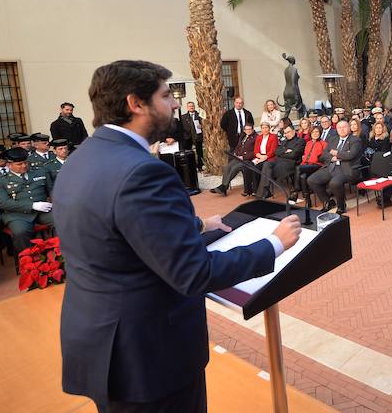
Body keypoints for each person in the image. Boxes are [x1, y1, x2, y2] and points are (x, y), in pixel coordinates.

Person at [51, 60, 301, 411]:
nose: (174, 104)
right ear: (136, 104)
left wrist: (197, 226)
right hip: (149, 356)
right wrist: (273, 243)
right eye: (166, 95)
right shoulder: (143, 171)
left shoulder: (83, 157)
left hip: (101, 341)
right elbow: (193, 273)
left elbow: (114, 230)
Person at [0, 146, 52, 253]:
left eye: (25, 162)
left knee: (63, 221)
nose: (24, 166)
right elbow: (3, 203)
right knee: (20, 232)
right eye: (19, 164)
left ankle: (62, 254)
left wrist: (54, 201)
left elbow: (51, 189)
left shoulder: (40, 172)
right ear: (9, 165)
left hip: (43, 211)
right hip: (17, 215)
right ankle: (28, 259)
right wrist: (32, 205)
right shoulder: (0, 181)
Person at [307, 120, 362, 214]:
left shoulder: (355, 140)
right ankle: (328, 201)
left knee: (334, 183)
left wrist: (336, 153)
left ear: (349, 128)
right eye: (339, 127)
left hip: (347, 169)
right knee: (312, 180)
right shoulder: (333, 139)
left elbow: (351, 155)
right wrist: (333, 157)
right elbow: (323, 155)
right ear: (336, 129)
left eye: (344, 127)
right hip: (331, 166)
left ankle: (341, 206)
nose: (342, 129)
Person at [256, 124, 305, 199]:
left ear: (294, 131)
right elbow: (276, 151)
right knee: (266, 164)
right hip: (278, 161)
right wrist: (286, 151)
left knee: (269, 170)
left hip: (290, 163)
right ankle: (265, 190)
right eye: (285, 133)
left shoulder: (300, 141)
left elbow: (294, 155)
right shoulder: (284, 141)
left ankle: (264, 192)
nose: (287, 134)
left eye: (288, 132)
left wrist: (282, 153)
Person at [210, 124, 257, 196]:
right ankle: (224, 188)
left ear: (253, 129)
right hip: (238, 158)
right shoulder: (243, 136)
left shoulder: (256, 137)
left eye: (250, 129)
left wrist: (243, 157)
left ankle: (223, 187)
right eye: (246, 129)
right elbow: (238, 146)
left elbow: (255, 152)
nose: (248, 131)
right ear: (244, 130)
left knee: (234, 168)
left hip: (247, 160)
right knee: (227, 167)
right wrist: (235, 153)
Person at [294, 125, 327, 202]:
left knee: (298, 168)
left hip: (317, 165)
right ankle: (308, 200)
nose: (315, 134)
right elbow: (305, 156)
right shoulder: (308, 143)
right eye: (313, 132)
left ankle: (295, 191)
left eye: (317, 132)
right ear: (310, 134)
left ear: (320, 133)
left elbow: (324, 158)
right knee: (303, 176)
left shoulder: (323, 143)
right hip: (306, 165)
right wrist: (303, 163)